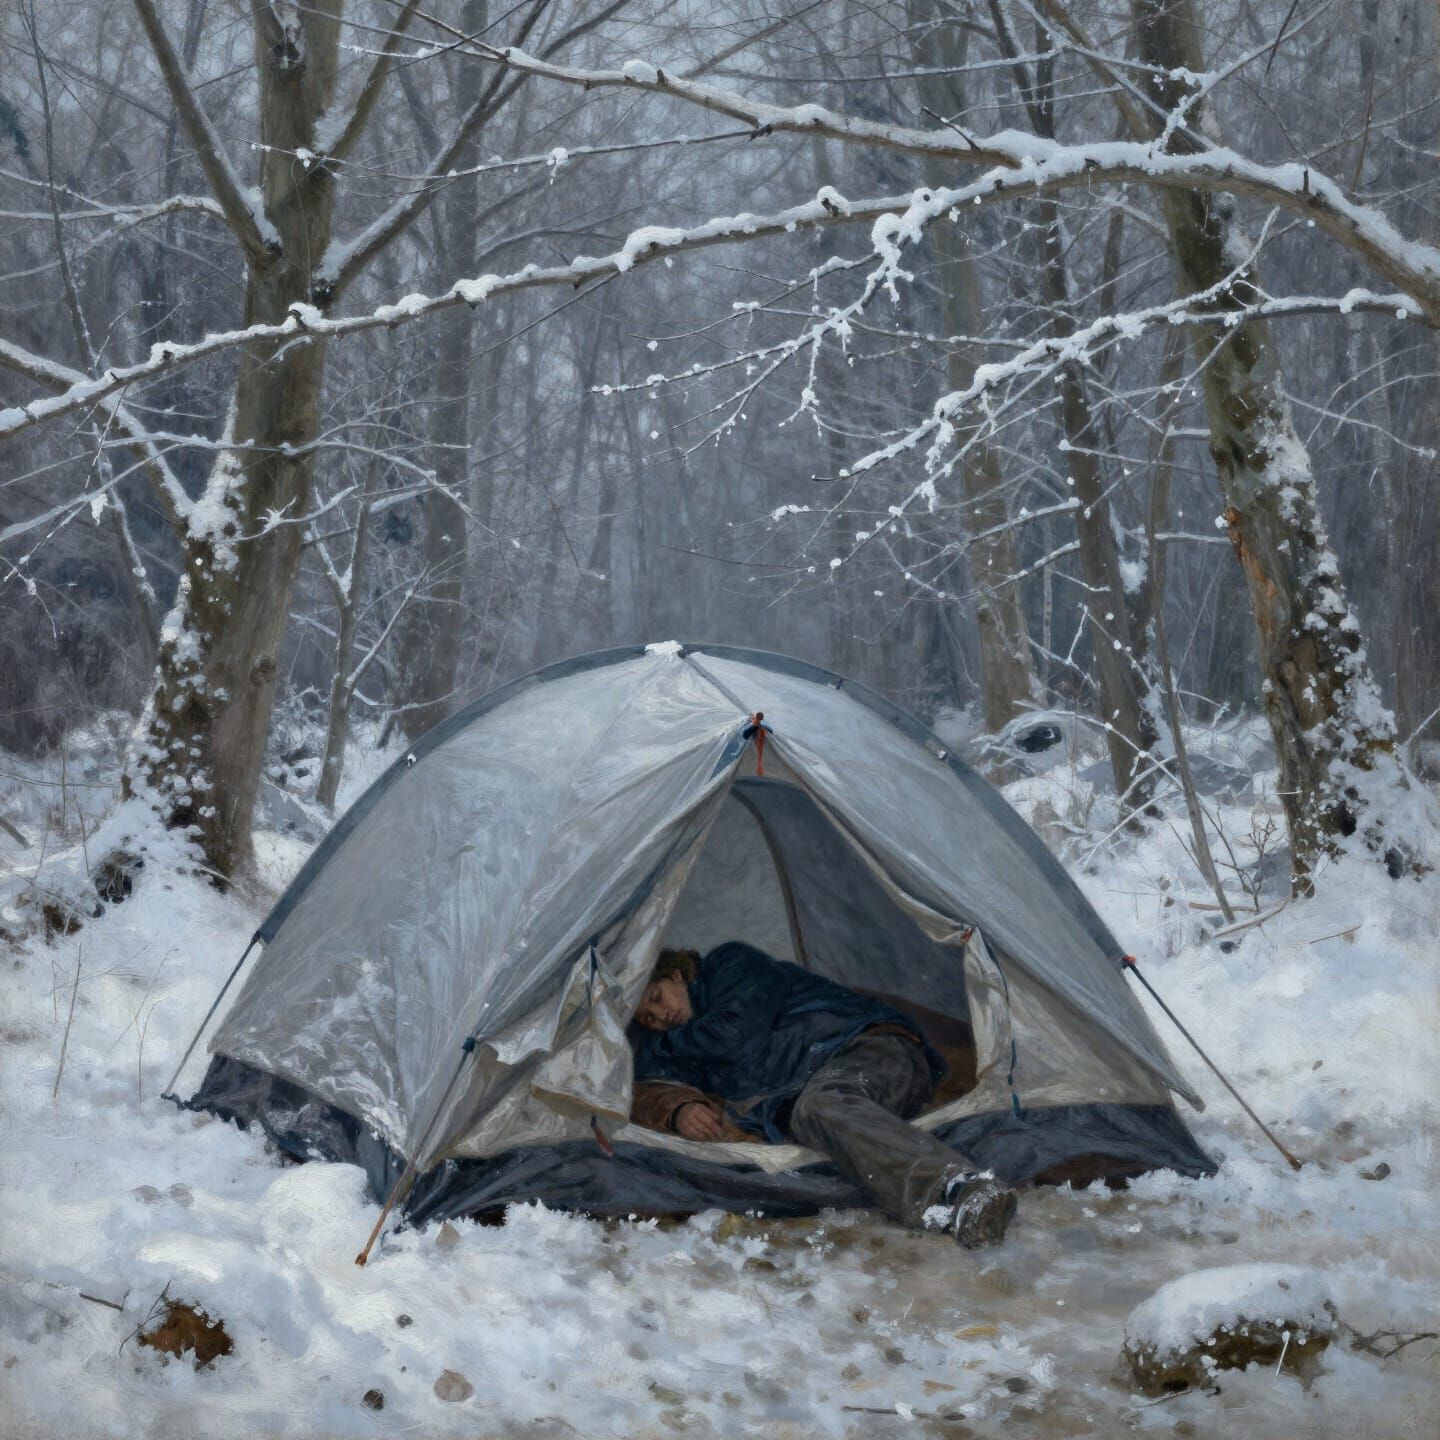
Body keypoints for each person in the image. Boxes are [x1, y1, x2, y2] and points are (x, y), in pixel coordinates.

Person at [629, 941, 1017, 1248]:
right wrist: (678, 1107)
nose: (661, 1016)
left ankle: (961, 1190)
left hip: (869, 1047)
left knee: (822, 1106)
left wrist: (654, 1046)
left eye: (658, 997)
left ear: (677, 976)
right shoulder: (686, 1045)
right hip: (814, 1090)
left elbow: (735, 1037)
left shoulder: (730, 963)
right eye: (648, 1018)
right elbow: (642, 1085)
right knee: (815, 1111)